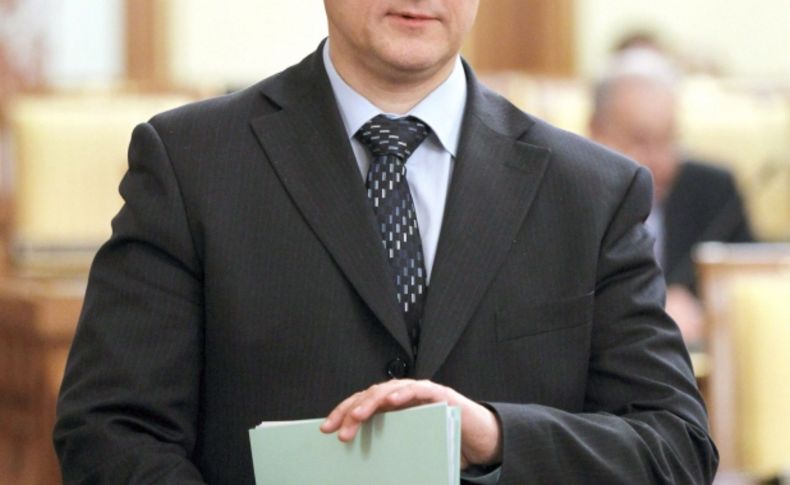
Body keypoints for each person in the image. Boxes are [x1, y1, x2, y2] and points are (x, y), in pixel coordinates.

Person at [54, 1, 718, 483]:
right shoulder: (189, 163)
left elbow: (675, 446)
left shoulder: (593, 193)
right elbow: (111, 428)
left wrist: (494, 436)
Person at [589, 57, 753, 345]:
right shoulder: (563, 198)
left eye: (667, 141)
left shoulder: (714, 192)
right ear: (595, 132)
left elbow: (753, 291)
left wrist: (708, 312)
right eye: (639, 140)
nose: (658, 160)